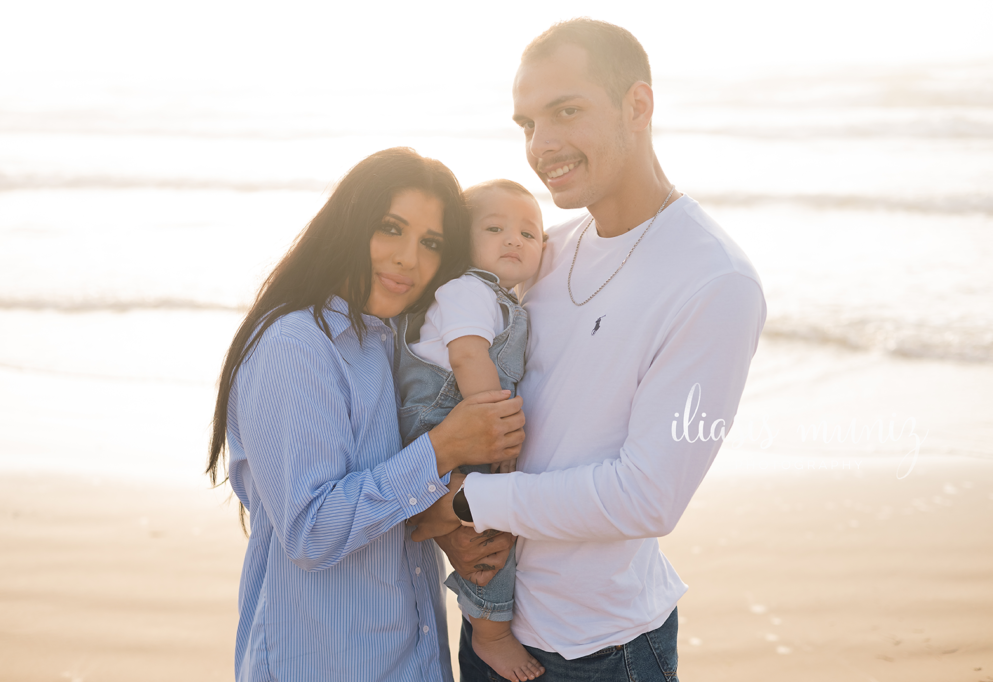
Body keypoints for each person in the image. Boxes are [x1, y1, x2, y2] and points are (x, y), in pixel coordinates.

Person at [414, 19, 768, 681]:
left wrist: (464, 505)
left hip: (602, 649)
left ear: (638, 106)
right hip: (494, 622)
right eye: (526, 124)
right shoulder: (542, 251)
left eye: (566, 111)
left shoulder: (715, 282)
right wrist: (454, 526)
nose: (541, 146)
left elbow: (648, 497)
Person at [205, 147, 525, 682]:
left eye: (431, 243)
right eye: (390, 228)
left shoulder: (388, 340)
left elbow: (386, 496)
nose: (408, 258)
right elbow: (312, 531)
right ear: (350, 223)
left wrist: (448, 522)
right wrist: (446, 446)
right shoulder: (295, 344)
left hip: (411, 656)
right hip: (322, 663)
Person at [395, 180, 546, 682]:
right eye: (496, 228)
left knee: (478, 519)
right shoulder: (467, 290)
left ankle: (435, 520)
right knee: (489, 532)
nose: (514, 240)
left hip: (460, 420)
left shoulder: (498, 297)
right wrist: (494, 425)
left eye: (529, 233)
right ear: (465, 240)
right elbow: (467, 355)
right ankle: (491, 633)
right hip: (450, 417)